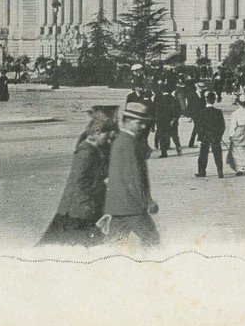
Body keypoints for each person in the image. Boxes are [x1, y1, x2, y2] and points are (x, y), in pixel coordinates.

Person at [37, 106, 118, 246]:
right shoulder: (86, 153)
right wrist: (104, 186)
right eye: (107, 135)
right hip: (78, 210)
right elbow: (81, 181)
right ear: (97, 133)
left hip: (80, 209)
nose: (109, 140)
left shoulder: (94, 150)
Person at [99, 102, 160, 247]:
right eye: (139, 123)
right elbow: (133, 177)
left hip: (118, 204)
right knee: (152, 239)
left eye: (144, 123)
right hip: (131, 204)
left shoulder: (122, 140)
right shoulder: (128, 143)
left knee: (113, 243)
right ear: (126, 121)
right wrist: (147, 201)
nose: (143, 127)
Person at [196, 91, 226, 178]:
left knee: (203, 154)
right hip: (215, 136)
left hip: (205, 136)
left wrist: (200, 138)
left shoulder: (202, 112)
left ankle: (202, 171)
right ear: (214, 100)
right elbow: (222, 126)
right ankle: (220, 171)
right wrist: (219, 135)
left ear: (206, 99)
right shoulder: (218, 112)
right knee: (217, 154)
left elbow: (199, 126)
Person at [153, 83, 182, 158]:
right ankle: (178, 148)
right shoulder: (174, 99)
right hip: (172, 121)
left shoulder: (159, 99)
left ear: (162, 91)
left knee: (163, 137)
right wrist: (175, 119)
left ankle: (164, 152)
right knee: (175, 136)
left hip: (162, 121)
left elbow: (156, 111)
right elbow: (178, 111)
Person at [187, 81, 207, 148]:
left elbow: (204, 104)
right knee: (197, 127)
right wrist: (190, 116)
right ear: (197, 87)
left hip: (201, 113)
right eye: (200, 88)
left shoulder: (202, 94)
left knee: (197, 127)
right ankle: (199, 142)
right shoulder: (191, 95)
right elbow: (190, 105)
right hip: (195, 114)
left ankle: (193, 142)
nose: (201, 89)